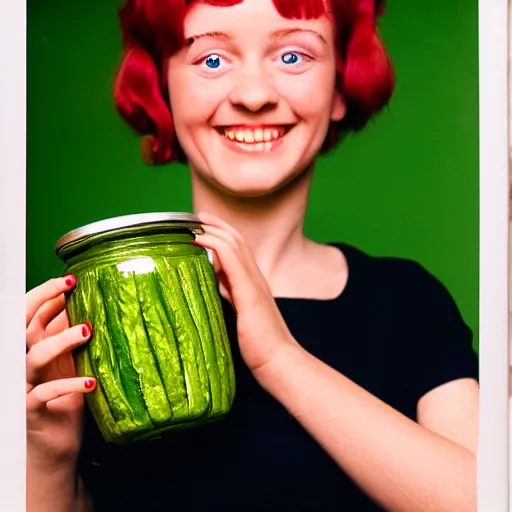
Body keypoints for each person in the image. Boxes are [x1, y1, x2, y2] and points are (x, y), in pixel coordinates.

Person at [25, 0, 480, 510]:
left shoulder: (410, 303)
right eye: (212, 60)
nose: (255, 96)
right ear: (164, 89)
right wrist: (46, 453)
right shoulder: (81, 319)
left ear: (339, 86)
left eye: (293, 56)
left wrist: (281, 360)